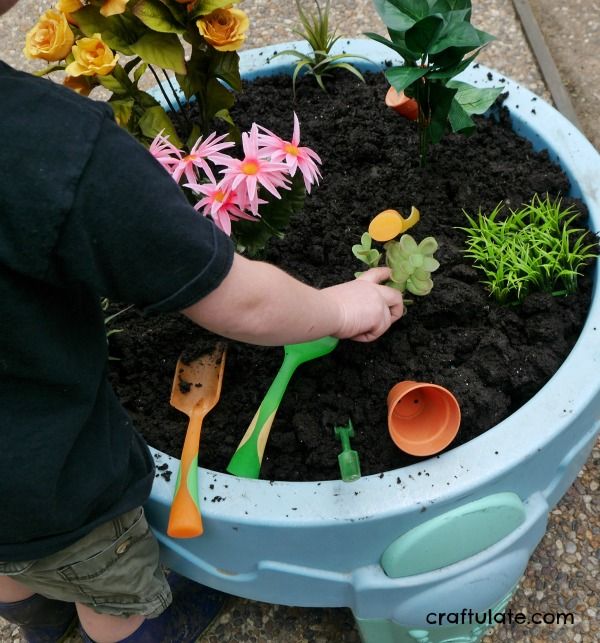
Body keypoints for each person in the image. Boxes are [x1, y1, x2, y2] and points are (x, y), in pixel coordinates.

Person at [0, 0, 404, 641]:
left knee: (14, 563)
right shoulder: (51, 148)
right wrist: (333, 306)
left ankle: (38, 616)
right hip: (50, 479)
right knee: (109, 582)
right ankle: (130, 626)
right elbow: (235, 300)